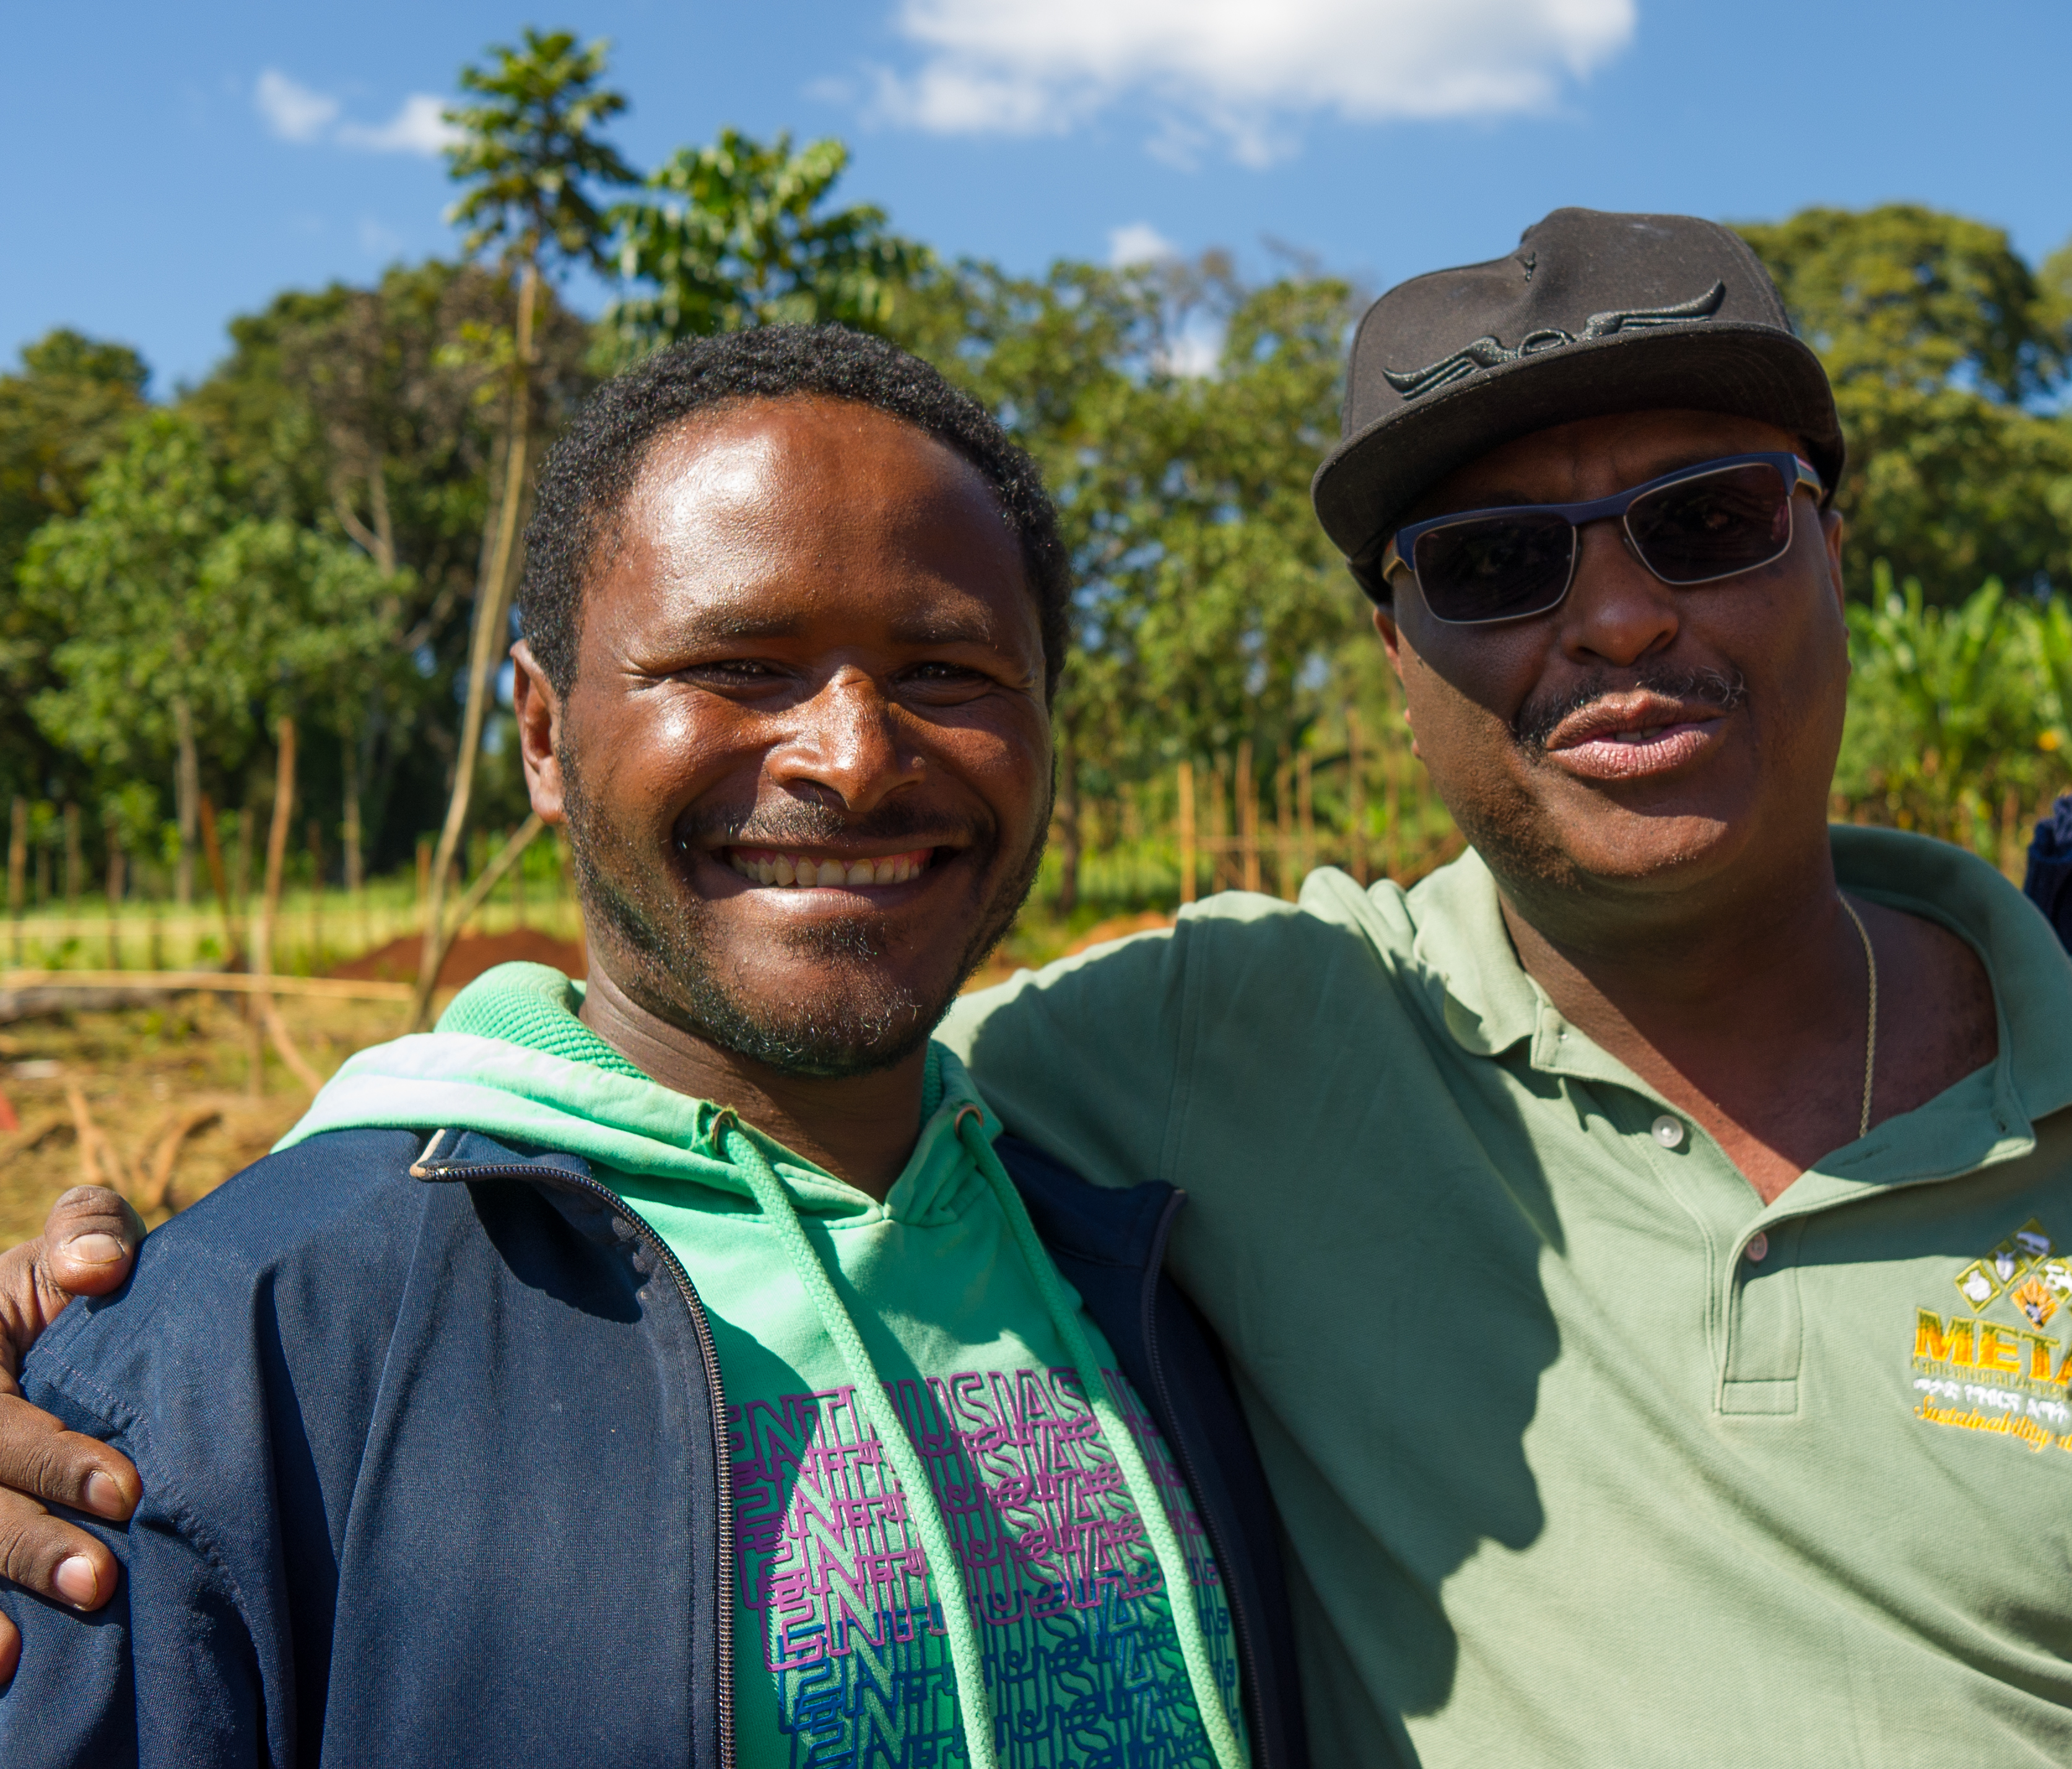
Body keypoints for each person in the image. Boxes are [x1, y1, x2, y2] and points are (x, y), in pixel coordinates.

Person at [0, 208, 2072, 1766]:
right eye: (1496, 568)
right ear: (1399, 653)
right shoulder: (1222, 1056)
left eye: (1707, 522)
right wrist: (120, 1335)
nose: (1617, 612)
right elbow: (689, 1076)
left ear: (1842, 551)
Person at [0, 328, 1299, 1769]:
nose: (854, 755)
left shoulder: (1150, 1266)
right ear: (545, 735)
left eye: (948, 669)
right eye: (740, 664)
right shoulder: (242, 1350)